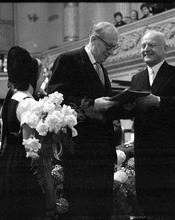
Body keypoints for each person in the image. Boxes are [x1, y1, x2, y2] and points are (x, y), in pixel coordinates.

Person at [46, 21, 119, 219]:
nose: (111, 52)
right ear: (94, 39)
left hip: (102, 153)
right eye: (109, 46)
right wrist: (92, 104)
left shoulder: (101, 69)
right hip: (81, 153)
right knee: (81, 209)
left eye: (115, 47)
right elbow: (55, 98)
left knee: (101, 210)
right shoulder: (68, 60)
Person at [128, 30, 175, 218]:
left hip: (171, 149)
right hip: (145, 150)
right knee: (148, 198)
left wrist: (159, 101)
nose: (146, 49)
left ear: (166, 49)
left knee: (173, 200)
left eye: (151, 45)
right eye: (143, 46)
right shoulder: (136, 78)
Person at [0, 46, 46, 219]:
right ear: (33, 76)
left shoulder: (12, 97)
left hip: (8, 160)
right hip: (22, 167)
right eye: (42, 75)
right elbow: (30, 146)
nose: (43, 79)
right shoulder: (27, 102)